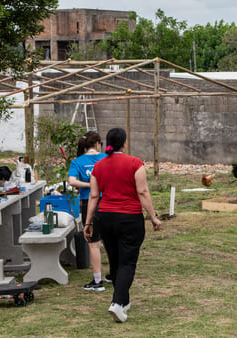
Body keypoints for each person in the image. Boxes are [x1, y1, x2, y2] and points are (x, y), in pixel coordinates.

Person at [85, 128, 162, 323]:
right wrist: (153, 217)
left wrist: (88, 222)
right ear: (125, 143)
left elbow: (94, 196)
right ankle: (117, 303)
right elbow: (143, 192)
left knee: (116, 261)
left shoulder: (98, 166)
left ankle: (123, 300)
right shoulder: (135, 163)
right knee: (127, 262)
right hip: (129, 218)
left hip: (106, 218)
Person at [68, 131, 109, 292]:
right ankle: (114, 275)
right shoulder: (106, 158)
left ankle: (97, 281)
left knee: (93, 243)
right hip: (108, 202)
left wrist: (88, 185)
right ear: (98, 143)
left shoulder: (77, 161)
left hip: (88, 203)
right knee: (109, 241)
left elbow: (71, 181)